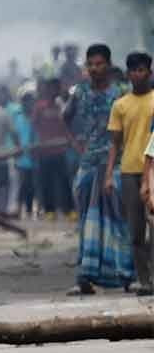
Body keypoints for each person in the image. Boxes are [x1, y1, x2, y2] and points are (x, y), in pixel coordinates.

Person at [66, 44, 131, 295]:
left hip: (119, 162)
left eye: (99, 64)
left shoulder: (122, 92)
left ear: (108, 64)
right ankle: (86, 274)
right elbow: (66, 116)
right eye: (90, 64)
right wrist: (76, 143)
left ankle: (125, 273)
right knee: (87, 219)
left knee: (119, 218)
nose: (94, 69)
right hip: (90, 162)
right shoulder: (80, 92)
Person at [105, 51, 154, 294]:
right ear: (128, 74)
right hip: (128, 171)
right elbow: (114, 142)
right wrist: (108, 175)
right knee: (135, 229)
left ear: (149, 72)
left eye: (142, 69)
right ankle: (144, 280)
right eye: (133, 70)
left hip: (153, 172)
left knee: (153, 225)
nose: (137, 74)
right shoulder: (120, 105)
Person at [31, 78, 74, 220]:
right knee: (46, 182)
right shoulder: (40, 107)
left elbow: (66, 126)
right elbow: (34, 127)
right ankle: (50, 211)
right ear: (47, 89)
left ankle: (70, 210)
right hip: (44, 150)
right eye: (52, 88)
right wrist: (36, 145)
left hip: (61, 150)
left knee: (64, 181)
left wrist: (70, 141)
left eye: (57, 88)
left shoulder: (61, 106)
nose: (54, 91)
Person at [10, 84, 37, 218]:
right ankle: (19, 209)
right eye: (25, 100)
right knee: (21, 185)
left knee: (32, 186)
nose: (28, 103)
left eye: (30, 100)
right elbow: (13, 134)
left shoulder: (36, 116)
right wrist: (16, 148)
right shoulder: (17, 116)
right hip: (21, 158)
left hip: (35, 157)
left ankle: (29, 210)